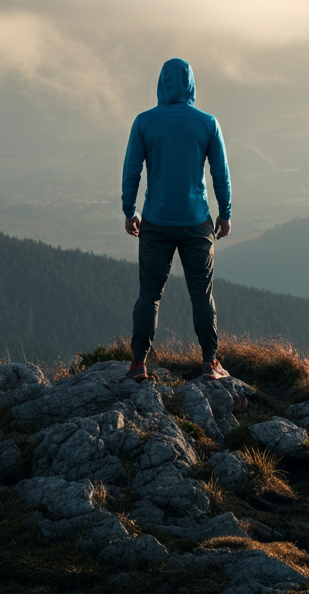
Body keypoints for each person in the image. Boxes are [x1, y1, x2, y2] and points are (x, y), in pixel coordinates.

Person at [122, 57, 232, 382]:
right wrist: (225, 213)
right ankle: (210, 363)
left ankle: (138, 363)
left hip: (155, 221)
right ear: (191, 84)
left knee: (149, 295)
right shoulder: (207, 123)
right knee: (202, 295)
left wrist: (130, 212)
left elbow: (131, 172)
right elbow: (220, 174)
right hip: (196, 222)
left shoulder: (144, 123)